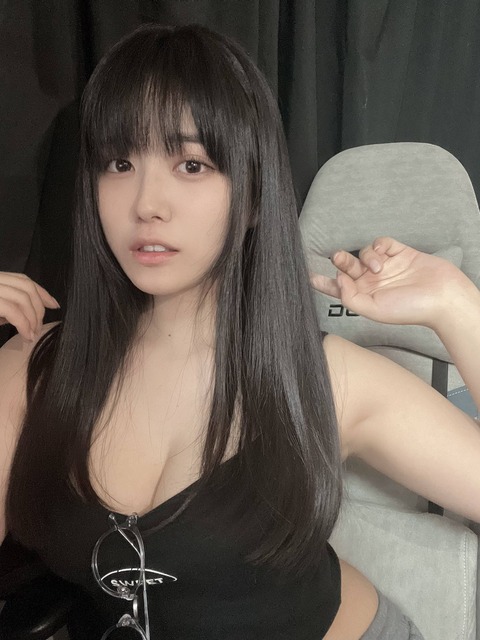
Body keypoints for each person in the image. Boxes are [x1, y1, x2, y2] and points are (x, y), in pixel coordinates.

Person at [0, 23, 479, 640]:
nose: (146, 203)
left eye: (191, 164)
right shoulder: (35, 366)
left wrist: (456, 305)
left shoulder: (328, 381)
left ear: (252, 198)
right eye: (120, 163)